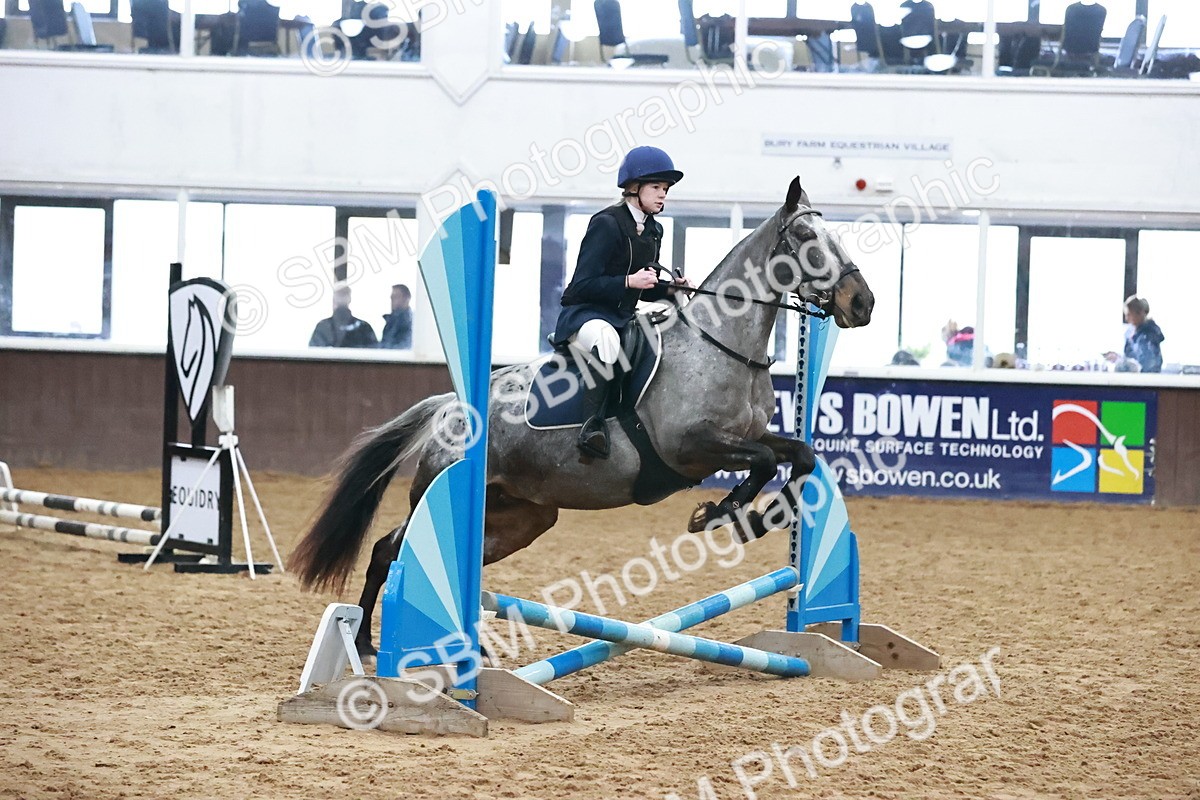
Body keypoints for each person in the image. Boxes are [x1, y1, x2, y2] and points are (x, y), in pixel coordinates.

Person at [551, 145, 692, 459]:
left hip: (621, 316)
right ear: (633, 188)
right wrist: (628, 281)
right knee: (607, 343)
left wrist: (671, 289)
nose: (662, 195)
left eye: (665, 189)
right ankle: (592, 429)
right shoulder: (607, 223)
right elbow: (580, 286)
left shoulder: (654, 229)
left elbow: (646, 285)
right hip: (585, 315)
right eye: (656, 187)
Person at [308, 283, 378, 348]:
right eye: (340, 294)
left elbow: (373, 354)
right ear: (334, 298)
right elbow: (315, 354)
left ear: (349, 298)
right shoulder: (323, 327)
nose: (342, 298)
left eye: (344, 294)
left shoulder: (363, 328)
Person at [1122, 295, 1164, 373]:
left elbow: (1149, 364)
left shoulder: (1150, 335)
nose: (1126, 319)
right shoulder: (1130, 333)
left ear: (1140, 313)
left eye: (1129, 315)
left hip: (1146, 380)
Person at [380, 284, 413, 350]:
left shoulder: (410, 322)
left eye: (396, 297)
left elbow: (404, 347)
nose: (392, 300)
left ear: (407, 298)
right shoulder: (390, 323)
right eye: (392, 298)